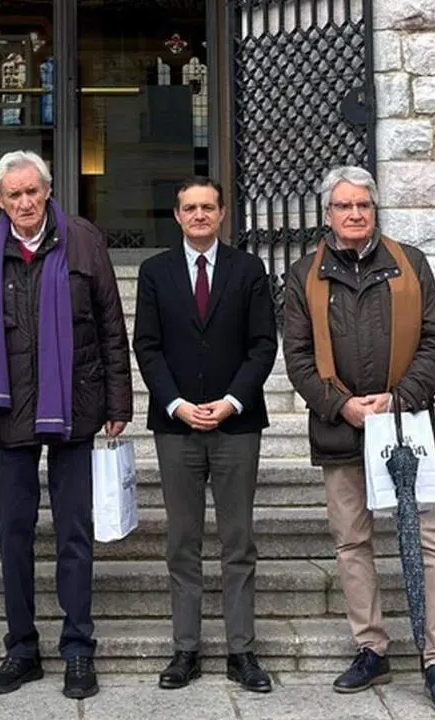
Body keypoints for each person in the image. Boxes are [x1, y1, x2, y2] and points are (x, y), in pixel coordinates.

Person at [0, 150, 132, 701]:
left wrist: (117, 401)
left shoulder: (82, 240)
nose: (26, 202)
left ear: (47, 192)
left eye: (34, 192)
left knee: (74, 534)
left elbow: (109, 324)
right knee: (13, 535)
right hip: (10, 412)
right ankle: (22, 648)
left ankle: (78, 648)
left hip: (75, 404)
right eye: (15, 195)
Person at [282, 166, 435, 714]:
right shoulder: (303, 274)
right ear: (328, 214)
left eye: (363, 205)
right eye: (344, 206)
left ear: (375, 209)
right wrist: (342, 406)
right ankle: (372, 648)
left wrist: (400, 398)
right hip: (342, 428)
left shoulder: (409, 264)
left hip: (403, 425)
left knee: (425, 543)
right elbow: (295, 357)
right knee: (352, 542)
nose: (354, 214)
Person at [133, 178, 278, 693]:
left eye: (207, 207)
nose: (199, 215)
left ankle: (242, 650)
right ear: (177, 215)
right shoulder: (155, 272)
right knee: (182, 541)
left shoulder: (249, 269)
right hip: (176, 426)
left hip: (236, 424)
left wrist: (231, 401)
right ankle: (185, 648)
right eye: (189, 208)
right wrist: (176, 404)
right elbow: (146, 347)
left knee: (238, 540)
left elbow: (263, 345)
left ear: (222, 214)